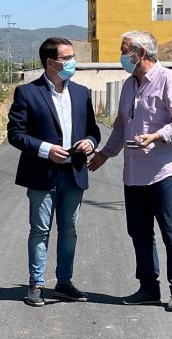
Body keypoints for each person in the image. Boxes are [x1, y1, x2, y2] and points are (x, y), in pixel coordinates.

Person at [88, 30, 172, 312]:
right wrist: (105, 154)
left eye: (125, 51)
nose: (121, 56)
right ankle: (148, 288)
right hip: (134, 173)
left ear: (141, 53)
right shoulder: (128, 85)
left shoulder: (168, 80)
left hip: (164, 172)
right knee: (139, 233)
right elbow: (121, 127)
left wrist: (157, 136)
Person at [7, 37, 101, 307]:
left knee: (69, 230)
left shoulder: (82, 93)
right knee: (40, 230)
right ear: (50, 62)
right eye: (67, 58)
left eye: (73, 57)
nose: (73, 62)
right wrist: (45, 149)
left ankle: (64, 282)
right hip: (42, 173)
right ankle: (36, 284)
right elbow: (15, 134)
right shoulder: (27, 92)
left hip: (74, 172)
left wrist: (90, 142)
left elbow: (93, 130)